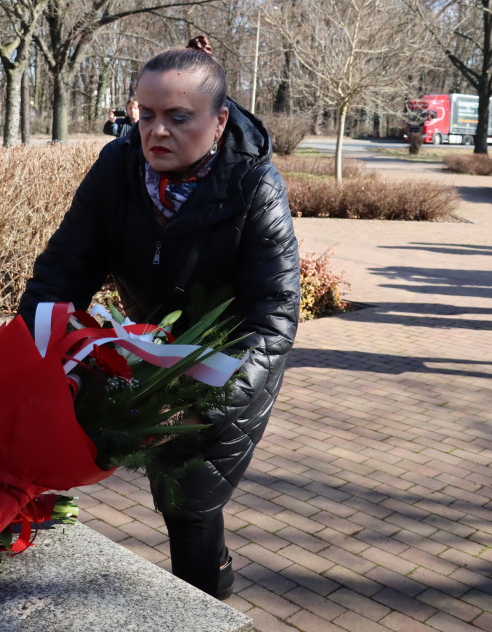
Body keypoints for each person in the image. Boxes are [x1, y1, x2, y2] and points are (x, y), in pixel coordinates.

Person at [19, 36, 299, 599]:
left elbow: (271, 318)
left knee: (189, 501)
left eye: (178, 117)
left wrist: (200, 398)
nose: (156, 132)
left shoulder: (255, 187)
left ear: (219, 121)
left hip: (228, 366)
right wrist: (30, 361)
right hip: (148, 348)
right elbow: (63, 271)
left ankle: (205, 613)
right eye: (145, 115)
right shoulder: (117, 167)